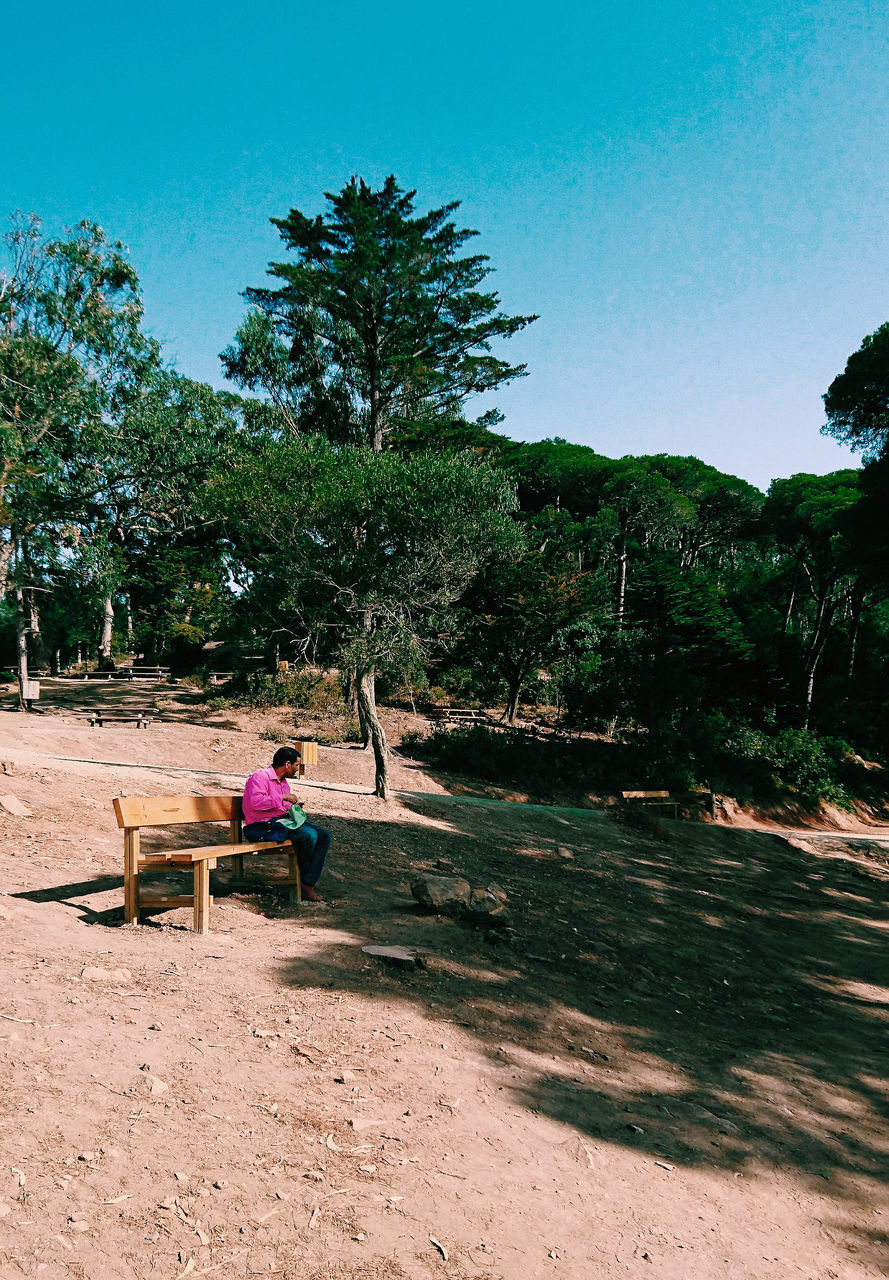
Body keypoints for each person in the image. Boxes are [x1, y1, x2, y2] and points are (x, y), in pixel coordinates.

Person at [242, 746, 331, 901]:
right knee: (308, 835)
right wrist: (283, 798)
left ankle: (307, 879)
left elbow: (280, 806)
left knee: (324, 835)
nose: (298, 769)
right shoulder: (259, 777)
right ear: (287, 764)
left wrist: (293, 806)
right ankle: (307, 884)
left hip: (280, 821)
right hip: (261, 826)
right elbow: (255, 802)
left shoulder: (283, 782)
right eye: (297, 765)